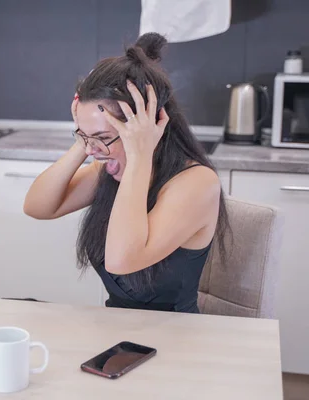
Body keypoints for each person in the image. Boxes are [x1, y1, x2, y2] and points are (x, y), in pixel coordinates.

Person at [23, 32, 230, 314]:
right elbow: (38, 207)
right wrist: (84, 141)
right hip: (117, 331)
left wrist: (139, 155)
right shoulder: (109, 169)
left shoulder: (196, 184)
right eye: (85, 136)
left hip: (178, 338)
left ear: (147, 126)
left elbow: (121, 260)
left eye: (104, 137)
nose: (95, 149)